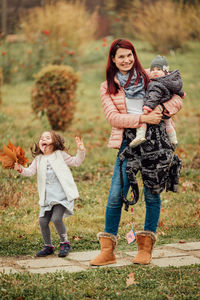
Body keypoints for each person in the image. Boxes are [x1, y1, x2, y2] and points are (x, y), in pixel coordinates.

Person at [89, 39, 182, 266]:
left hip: (156, 143)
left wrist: (161, 109)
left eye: (129, 55)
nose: (126, 60)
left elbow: (179, 96)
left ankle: (145, 249)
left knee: (152, 194)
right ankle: (108, 251)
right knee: (114, 196)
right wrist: (142, 118)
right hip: (128, 144)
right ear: (113, 59)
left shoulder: (150, 75)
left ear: (135, 55)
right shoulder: (108, 87)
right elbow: (113, 118)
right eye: (121, 56)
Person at [14, 131, 85, 257]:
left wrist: (80, 150)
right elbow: (30, 172)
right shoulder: (38, 159)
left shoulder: (60, 155)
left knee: (57, 219)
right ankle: (48, 246)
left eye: (47, 137)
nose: (43, 139)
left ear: (54, 142)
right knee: (42, 221)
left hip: (62, 195)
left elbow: (76, 162)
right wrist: (20, 169)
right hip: (47, 197)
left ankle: (65, 243)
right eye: (41, 138)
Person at [129, 55, 184, 148]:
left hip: (155, 106)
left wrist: (148, 107)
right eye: (153, 69)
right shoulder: (170, 80)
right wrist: (182, 94)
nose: (155, 72)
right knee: (168, 123)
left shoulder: (155, 84)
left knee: (143, 119)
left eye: (158, 69)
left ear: (165, 71)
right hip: (165, 110)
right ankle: (173, 139)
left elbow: (154, 96)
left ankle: (140, 135)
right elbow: (178, 91)